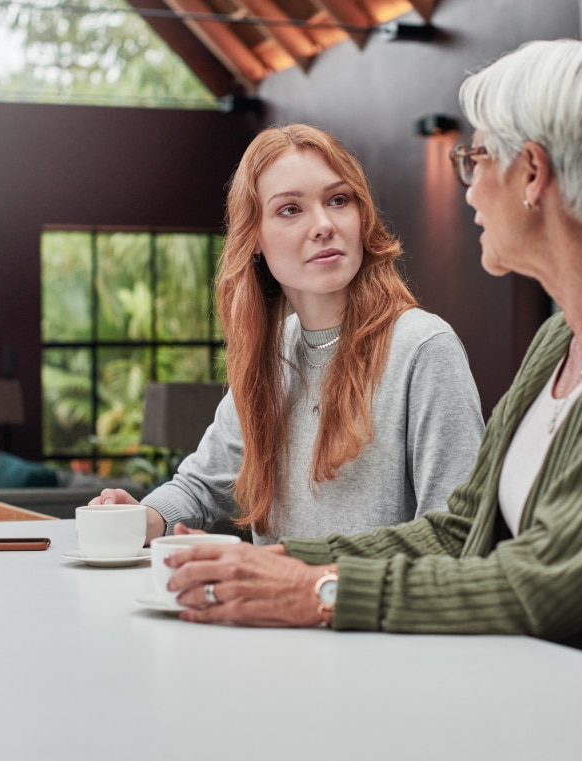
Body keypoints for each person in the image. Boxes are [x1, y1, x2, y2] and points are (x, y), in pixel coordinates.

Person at [162, 40, 582, 689]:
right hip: (537, 693)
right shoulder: (560, 338)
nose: (468, 185)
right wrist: (281, 564)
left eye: (475, 158)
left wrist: (318, 590)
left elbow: (545, 582)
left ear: (532, 173)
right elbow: (458, 529)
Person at [93, 124, 485, 545]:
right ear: (254, 238)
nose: (323, 225)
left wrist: (310, 583)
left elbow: (455, 537)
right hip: (264, 612)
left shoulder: (423, 347)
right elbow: (201, 485)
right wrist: (143, 517)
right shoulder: (273, 352)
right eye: (290, 209)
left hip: (364, 609)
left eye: (338, 200)